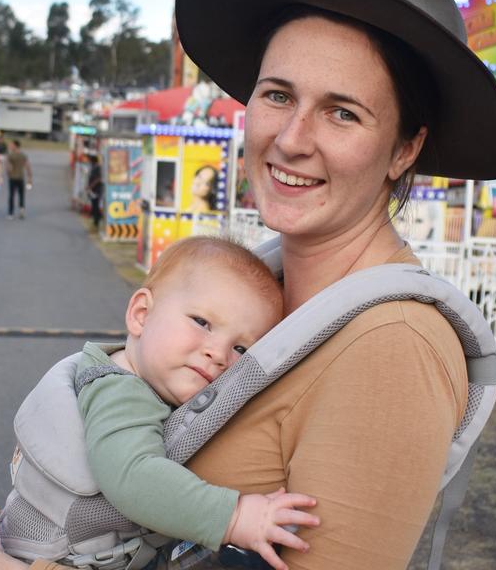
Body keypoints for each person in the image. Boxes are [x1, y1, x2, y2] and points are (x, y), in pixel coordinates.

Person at [0, 0, 496, 569]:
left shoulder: (391, 349)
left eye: (343, 112)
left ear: (404, 148)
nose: (292, 138)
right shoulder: (268, 296)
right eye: (278, 95)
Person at [55, 236, 316, 570]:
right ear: (141, 313)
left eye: (241, 349)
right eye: (202, 322)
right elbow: (132, 476)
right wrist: (233, 517)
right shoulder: (120, 392)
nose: (218, 353)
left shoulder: (140, 375)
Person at [4, 139, 34, 220]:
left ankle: (10, 213)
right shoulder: (23, 155)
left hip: (12, 178)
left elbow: (7, 167)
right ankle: (21, 210)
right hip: (20, 178)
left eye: (11, 145)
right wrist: (30, 178)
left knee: (11, 196)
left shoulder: (10, 155)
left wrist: (8, 172)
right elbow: (28, 167)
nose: (10, 146)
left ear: (15, 146)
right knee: (21, 195)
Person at [85, 154, 104, 232]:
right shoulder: (94, 168)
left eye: (90, 160)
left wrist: (91, 186)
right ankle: (96, 221)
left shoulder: (97, 168)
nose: (89, 162)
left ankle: (96, 223)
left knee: (95, 207)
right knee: (94, 206)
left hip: (96, 190)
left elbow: (98, 179)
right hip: (93, 191)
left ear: (93, 161)